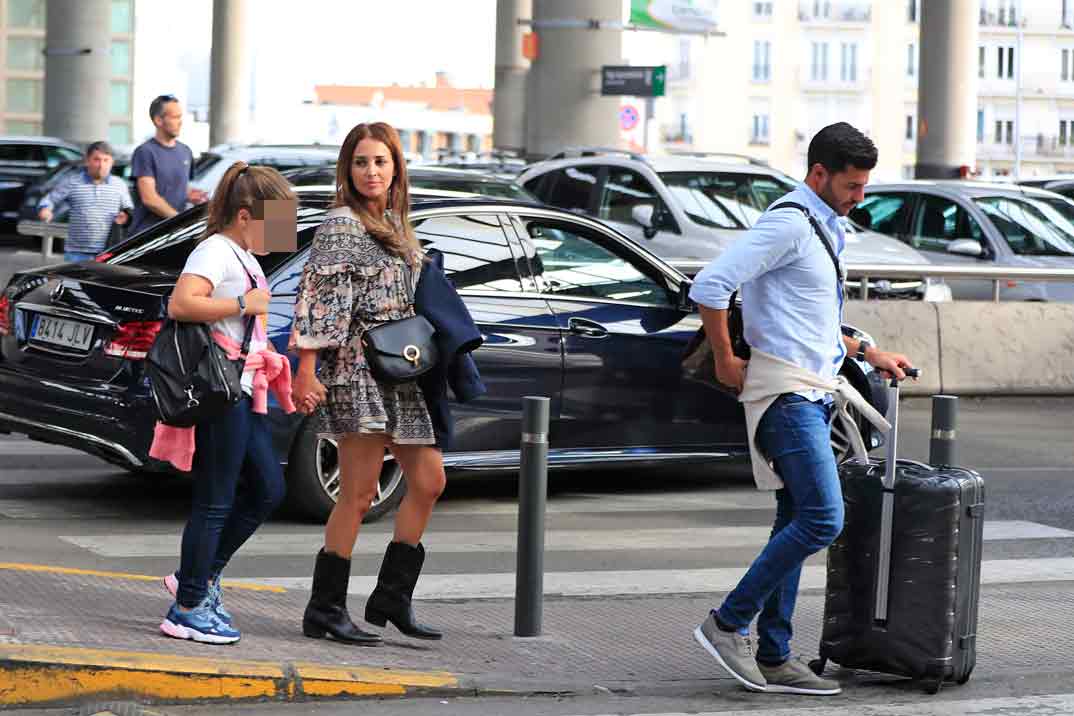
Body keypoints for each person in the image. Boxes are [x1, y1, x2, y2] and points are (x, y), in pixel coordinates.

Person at [688, 122, 915, 695]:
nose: (860, 196)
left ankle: (774, 654)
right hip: (785, 395)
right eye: (851, 185)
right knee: (823, 518)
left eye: (864, 185)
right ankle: (728, 623)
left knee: (795, 519)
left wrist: (868, 350)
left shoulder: (823, 226)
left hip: (813, 390)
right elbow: (710, 286)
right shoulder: (788, 223)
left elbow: (809, 318)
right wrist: (723, 358)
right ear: (818, 174)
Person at [289, 121, 483, 646]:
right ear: (346, 171)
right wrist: (306, 369)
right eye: (360, 162)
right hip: (357, 368)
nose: (371, 171)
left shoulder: (396, 225)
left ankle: (392, 596)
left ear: (397, 166)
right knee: (356, 494)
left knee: (429, 480)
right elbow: (318, 299)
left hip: (402, 370)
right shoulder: (341, 225)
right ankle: (325, 608)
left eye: (380, 161)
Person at [151, 162, 298, 644]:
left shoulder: (243, 255)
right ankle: (188, 606)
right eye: (277, 220)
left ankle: (196, 576)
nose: (284, 231)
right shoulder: (214, 250)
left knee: (267, 488)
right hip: (222, 390)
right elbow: (181, 303)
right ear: (243, 216)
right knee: (216, 500)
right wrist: (242, 306)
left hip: (244, 387)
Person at [37, 141, 133, 262]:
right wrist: (45, 209)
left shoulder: (119, 184)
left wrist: (125, 216)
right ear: (87, 161)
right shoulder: (72, 182)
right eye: (96, 160)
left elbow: (129, 211)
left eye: (106, 160)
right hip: (76, 253)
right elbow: (49, 199)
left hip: (108, 253)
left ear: (112, 162)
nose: (101, 165)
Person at [129, 94, 207, 235]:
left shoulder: (185, 151)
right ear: (158, 120)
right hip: (148, 237)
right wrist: (180, 220)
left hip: (174, 235)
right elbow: (149, 198)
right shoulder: (145, 152)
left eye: (180, 117)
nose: (180, 122)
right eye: (175, 117)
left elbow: (179, 186)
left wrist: (191, 195)